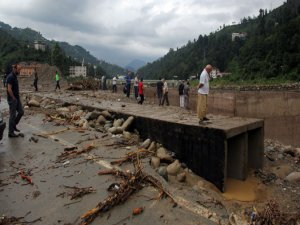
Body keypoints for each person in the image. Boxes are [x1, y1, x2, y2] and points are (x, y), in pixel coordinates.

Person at [6, 64, 24, 137]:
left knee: (21, 112)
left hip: (17, 98)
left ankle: (14, 125)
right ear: (15, 69)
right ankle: (10, 132)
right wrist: (13, 98)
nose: (19, 71)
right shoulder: (10, 77)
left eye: (20, 70)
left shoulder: (15, 76)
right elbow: (9, 89)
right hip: (12, 99)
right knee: (12, 115)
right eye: (19, 70)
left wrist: (17, 98)